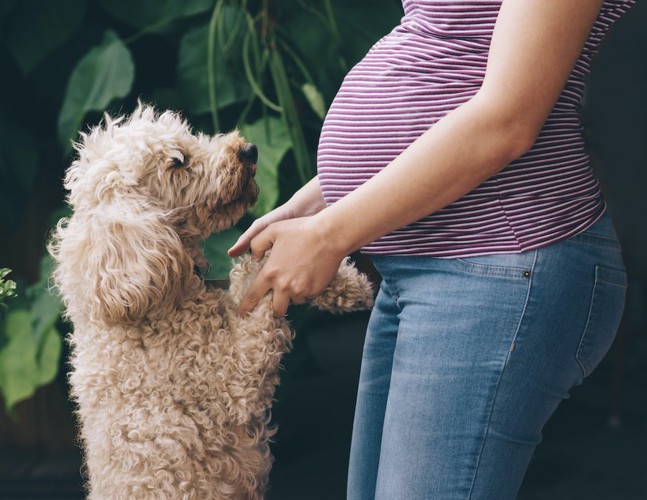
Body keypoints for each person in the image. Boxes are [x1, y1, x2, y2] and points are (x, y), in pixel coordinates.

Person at [228, 0, 635, 498]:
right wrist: (321, 198)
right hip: (428, 268)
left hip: (501, 259)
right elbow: (450, 60)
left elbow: (508, 119)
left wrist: (331, 233)